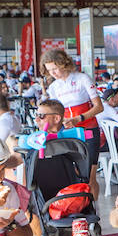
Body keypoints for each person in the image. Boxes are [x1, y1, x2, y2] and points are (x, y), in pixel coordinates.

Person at [42, 49, 103, 189]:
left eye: (55, 68)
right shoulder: (53, 87)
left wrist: (79, 118)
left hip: (88, 130)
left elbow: (99, 107)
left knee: (90, 178)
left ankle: (94, 209)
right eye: (49, 70)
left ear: (63, 64)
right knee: (74, 178)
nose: (53, 73)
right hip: (69, 133)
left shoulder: (82, 78)